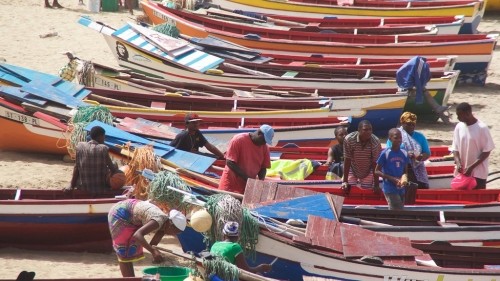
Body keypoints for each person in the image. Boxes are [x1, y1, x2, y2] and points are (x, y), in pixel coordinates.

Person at [108, 199, 187, 277]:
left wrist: (157, 255)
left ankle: (131, 278)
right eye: (176, 231)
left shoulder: (164, 226)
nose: (176, 235)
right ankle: (130, 279)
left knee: (130, 250)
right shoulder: (158, 220)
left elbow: (153, 245)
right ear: (171, 225)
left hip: (132, 216)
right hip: (121, 213)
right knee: (124, 253)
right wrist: (153, 252)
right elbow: (137, 235)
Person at [218, 125, 274, 194]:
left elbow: (263, 168)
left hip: (246, 189)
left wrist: (260, 182)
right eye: (263, 140)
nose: (264, 143)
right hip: (230, 186)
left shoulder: (265, 148)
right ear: (259, 133)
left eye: (266, 142)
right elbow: (230, 162)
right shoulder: (238, 140)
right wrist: (248, 179)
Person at [451, 102, 495, 189]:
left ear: (468, 113)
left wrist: (471, 167)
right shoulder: (459, 126)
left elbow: (486, 151)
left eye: (460, 115)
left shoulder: (482, 128)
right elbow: (455, 148)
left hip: (478, 173)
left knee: (479, 199)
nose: (458, 118)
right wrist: (458, 162)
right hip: (462, 172)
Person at [396, 56, 450, 123]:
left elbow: (418, 78)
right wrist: (419, 90)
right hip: (404, 82)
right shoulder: (420, 64)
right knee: (420, 92)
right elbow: (418, 79)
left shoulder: (419, 63)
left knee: (423, 90)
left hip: (405, 79)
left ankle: (437, 107)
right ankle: (437, 108)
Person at [68, 126, 119, 195]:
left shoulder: (80, 146)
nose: (104, 139)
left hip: (83, 187)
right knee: (115, 164)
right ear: (100, 137)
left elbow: (76, 167)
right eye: (104, 136)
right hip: (100, 187)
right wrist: (117, 170)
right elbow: (112, 168)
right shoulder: (103, 148)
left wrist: (71, 185)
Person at [386, 112, 430, 189]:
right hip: (399, 167)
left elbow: (427, 153)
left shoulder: (420, 136)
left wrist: (421, 156)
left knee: (420, 187)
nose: (411, 126)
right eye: (408, 124)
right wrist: (405, 154)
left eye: (413, 124)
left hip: (417, 168)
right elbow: (388, 153)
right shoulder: (395, 135)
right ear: (402, 123)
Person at [342, 120, 382, 194]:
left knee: (366, 192)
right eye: (365, 130)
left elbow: (375, 163)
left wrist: (376, 184)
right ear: (359, 130)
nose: (368, 132)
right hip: (353, 168)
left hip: (368, 169)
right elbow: (347, 159)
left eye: (370, 129)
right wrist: (345, 181)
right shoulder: (349, 140)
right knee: (347, 189)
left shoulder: (375, 142)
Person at [375, 128, 410, 210]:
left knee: (400, 209)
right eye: (396, 138)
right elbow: (376, 171)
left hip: (401, 188)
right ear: (390, 138)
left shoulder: (404, 153)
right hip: (390, 188)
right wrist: (392, 179)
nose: (399, 140)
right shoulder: (385, 153)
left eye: (400, 138)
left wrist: (404, 179)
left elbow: (405, 171)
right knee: (397, 209)